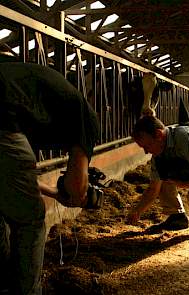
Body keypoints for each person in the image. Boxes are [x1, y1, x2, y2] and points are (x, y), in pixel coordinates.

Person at [0, 62, 99, 294]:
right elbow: (77, 187)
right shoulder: (87, 119)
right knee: (30, 221)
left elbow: (19, 175)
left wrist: (56, 193)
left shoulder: (29, 99)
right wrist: (78, 197)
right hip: (2, 125)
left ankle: (3, 281)